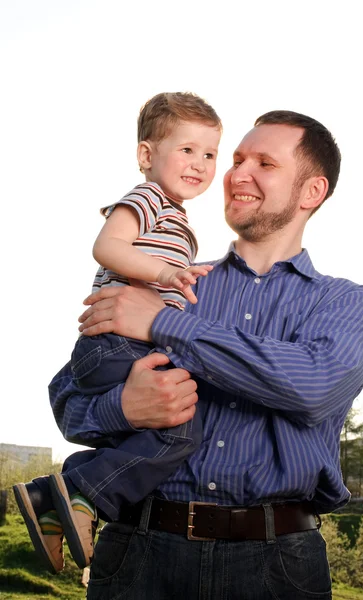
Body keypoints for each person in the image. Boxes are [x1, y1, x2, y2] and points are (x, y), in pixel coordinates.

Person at [50, 110, 363, 600]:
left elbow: (313, 387)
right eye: (237, 158)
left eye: (264, 163)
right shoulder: (165, 278)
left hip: (277, 565)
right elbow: (69, 393)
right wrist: (122, 407)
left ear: (312, 191)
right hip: (139, 552)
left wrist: (164, 323)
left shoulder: (343, 301)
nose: (235, 173)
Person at [13, 91, 222, 574]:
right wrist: (168, 275)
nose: (200, 163)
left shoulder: (176, 215)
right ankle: (86, 494)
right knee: (182, 428)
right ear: (147, 156)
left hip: (122, 345)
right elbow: (106, 246)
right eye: (186, 150)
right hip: (114, 344)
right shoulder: (148, 198)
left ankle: (52, 498)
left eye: (209, 153)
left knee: (164, 430)